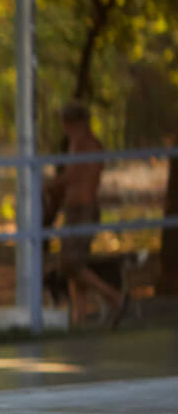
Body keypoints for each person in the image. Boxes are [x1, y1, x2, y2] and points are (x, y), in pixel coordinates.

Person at [45, 101, 126, 327]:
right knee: (70, 265)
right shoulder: (75, 143)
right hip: (73, 211)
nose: (65, 128)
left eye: (67, 123)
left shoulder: (88, 146)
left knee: (70, 263)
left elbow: (73, 176)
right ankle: (79, 317)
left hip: (84, 210)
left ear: (76, 123)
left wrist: (47, 186)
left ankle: (114, 297)